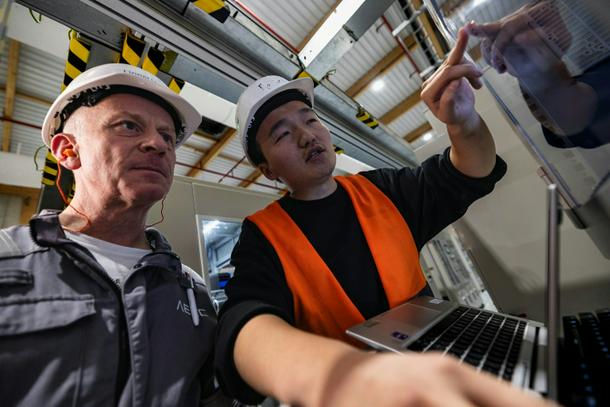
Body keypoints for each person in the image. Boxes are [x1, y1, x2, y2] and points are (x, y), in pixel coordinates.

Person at [214, 29, 556, 406]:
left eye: (309, 120)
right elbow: (244, 326)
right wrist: (346, 378)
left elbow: (471, 171)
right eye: (281, 135)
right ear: (267, 170)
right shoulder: (264, 235)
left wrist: (463, 123)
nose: (306, 137)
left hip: (440, 375)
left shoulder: (382, 190)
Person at [0, 64, 230, 406]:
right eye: (128, 126)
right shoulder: (7, 261)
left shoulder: (191, 290)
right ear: (68, 151)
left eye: (167, 137)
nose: (158, 144)